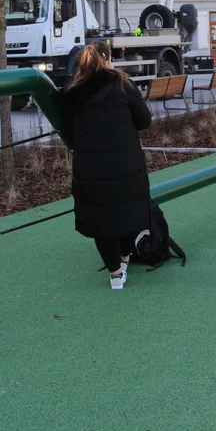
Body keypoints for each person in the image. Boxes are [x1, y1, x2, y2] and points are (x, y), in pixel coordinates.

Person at [60, 43, 152, 290]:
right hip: (125, 165)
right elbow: (144, 120)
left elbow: (67, 129)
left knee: (100, 219)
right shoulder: (122, 84)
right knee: (129, 211)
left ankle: (115, 273)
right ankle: (124, 257)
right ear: (108, 60)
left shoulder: (72, 92)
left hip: (90, 168)